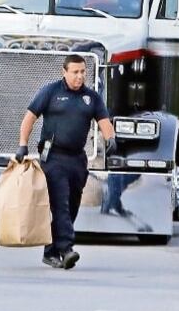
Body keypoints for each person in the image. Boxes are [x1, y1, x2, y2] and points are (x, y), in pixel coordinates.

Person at [18, 54, 116, 269]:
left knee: (72, 205)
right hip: (53, 157)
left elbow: (104, 121)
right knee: (60, 202)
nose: (80, 76)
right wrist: (22, 145)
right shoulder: (50, 92)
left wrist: (110, 139)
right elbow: (29, 117)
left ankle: (50, 251)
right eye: (75, 72)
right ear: (64, 72)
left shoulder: (91, 97)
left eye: (83, 72)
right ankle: (66, 249)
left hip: (77, 159)